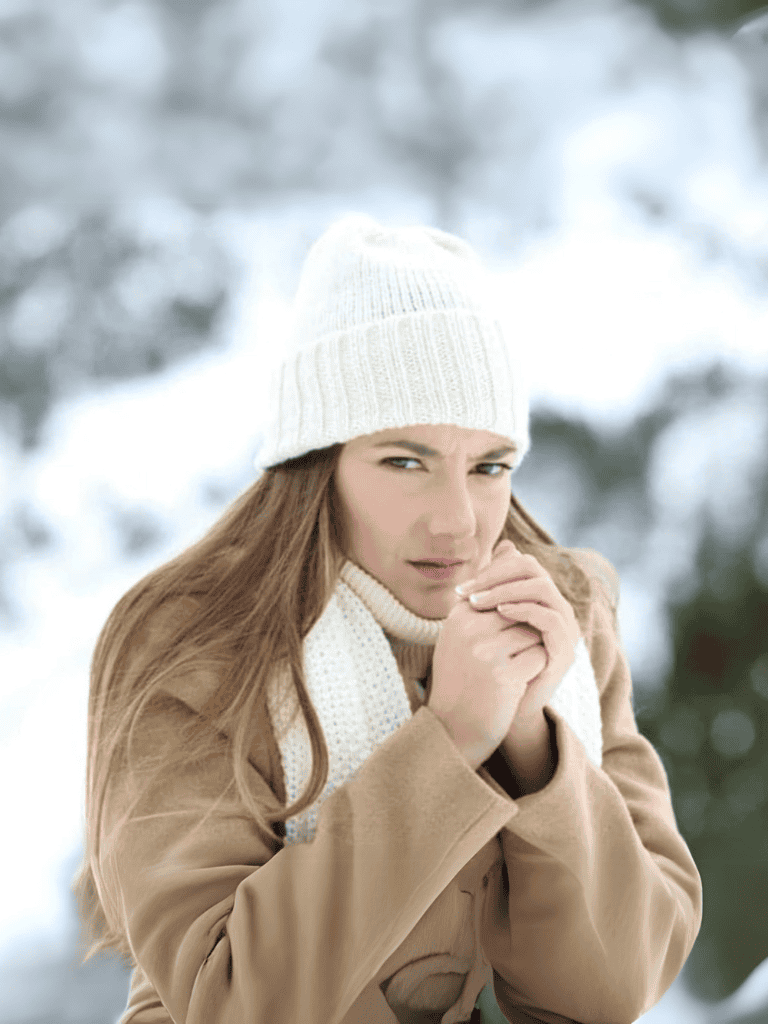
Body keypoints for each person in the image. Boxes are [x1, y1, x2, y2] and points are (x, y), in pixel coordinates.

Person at [73, 214, 703, 1024]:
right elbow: (225, 1001)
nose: (459, 523)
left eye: (489, 467)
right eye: (405, 461)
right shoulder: (189, 645)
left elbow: (611, 990)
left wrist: (534, 748)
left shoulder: (561, 621)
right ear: (316, 463)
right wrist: (448, 742)